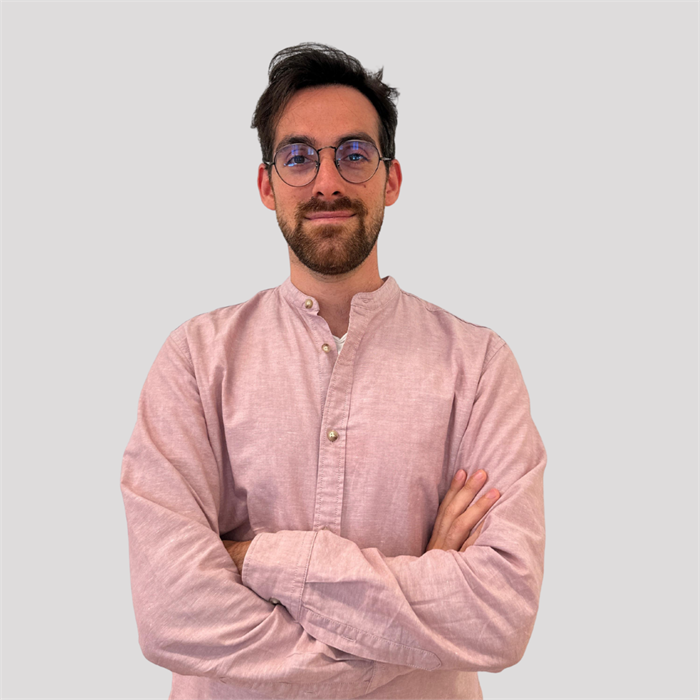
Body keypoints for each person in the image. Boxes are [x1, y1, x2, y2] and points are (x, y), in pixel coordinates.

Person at [120, 43, 546, 700]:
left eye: (353, 154)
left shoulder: (479, 367)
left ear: (391, 180)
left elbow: (501, 615)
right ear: (267, 185)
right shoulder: (195, 363)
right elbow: (171, 614)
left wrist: (255, 558)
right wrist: (421, 606)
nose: (327, 182)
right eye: (298, 157)